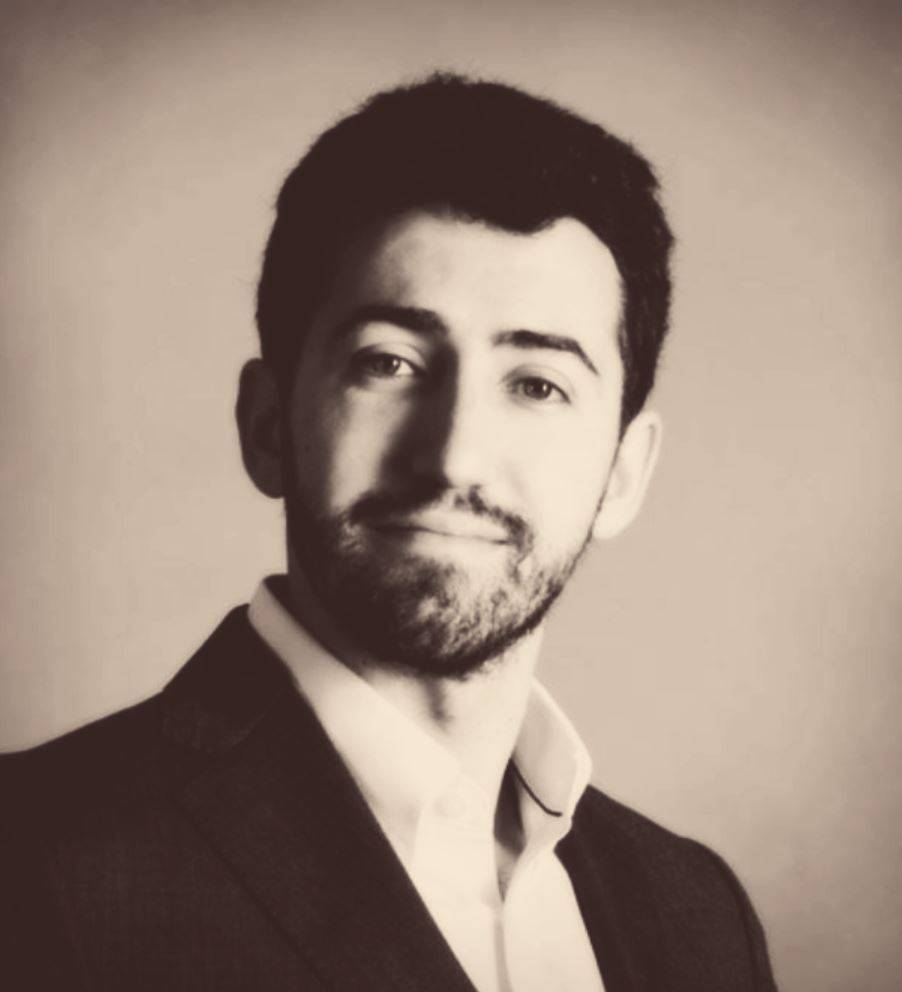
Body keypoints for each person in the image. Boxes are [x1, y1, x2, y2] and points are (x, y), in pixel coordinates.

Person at [1, 74, 778, 991]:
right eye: (390, 363)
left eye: (538, 384)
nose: (454, 458)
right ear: (268, 425)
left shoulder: (699, 916)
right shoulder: (32, 859)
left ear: (623, 473)